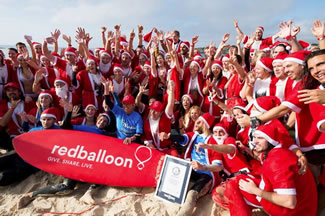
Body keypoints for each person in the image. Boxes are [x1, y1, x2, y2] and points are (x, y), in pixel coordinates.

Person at [215, 124, 317, 216]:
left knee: (231, 186)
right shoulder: (277, 152)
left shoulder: (276, 161)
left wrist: (255, 191)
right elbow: (260, 157)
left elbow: (289, 202)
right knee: (235, 183)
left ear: (270, 140)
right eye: (254, 137)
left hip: (296, 211)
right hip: (304, 204)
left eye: (260, 138)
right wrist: (246, 149)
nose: (255, 141)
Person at [160, 112, 222, 216]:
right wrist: (169, 137)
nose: (195, 124)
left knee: (191, 195)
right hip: (191, 169)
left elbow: (218, 166)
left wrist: (203, 166)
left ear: (205, 125)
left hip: (206, 173)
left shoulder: (214, 142)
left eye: (199, 122)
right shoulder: (194, 136)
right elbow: (183, 138)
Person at [102, 78, 143, 144]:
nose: (125, 106)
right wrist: (106, 86)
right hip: (119, 142)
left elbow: (139, 134)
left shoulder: (137, 117)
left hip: (132, 144)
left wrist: (130, 139)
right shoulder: (119, 111)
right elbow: (108, 102)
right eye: (124, 104)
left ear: (133, 105)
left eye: (128, 104)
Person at [143, 81, 178, 156]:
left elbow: (170, 104)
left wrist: (171, 90)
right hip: (155, 150)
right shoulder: (147, 123)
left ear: (161, 112)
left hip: (167, 149)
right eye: (151, 110)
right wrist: (149, 145)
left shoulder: (165, 117)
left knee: (175, 156)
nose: (152, 113)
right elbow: (148, 139)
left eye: (155, 111)